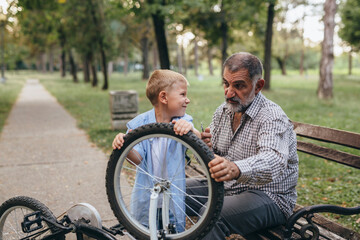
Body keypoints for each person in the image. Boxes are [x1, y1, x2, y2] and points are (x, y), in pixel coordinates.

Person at [186, 52, 299, 239]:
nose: (229, 93)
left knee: (212, 215)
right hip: (229, 186)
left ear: (258, 86)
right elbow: (215, 157)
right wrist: (207, 148)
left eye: (238, 86)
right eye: (226, 83)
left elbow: (273, 160)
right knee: (171, 190)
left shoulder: (272, 116)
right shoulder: (223, 111)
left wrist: (236, 168)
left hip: (270, 197)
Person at [112, 69, 200, 232]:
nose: (187, 100)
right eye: (182, 94)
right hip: (146, 198)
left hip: (173, 199)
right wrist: (126, 145)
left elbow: (199, 142)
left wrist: (191, 130)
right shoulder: (140, 125)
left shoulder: (183, 122)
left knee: (174, 232)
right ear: (164, 97)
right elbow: (136, 159)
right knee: (146, 232)